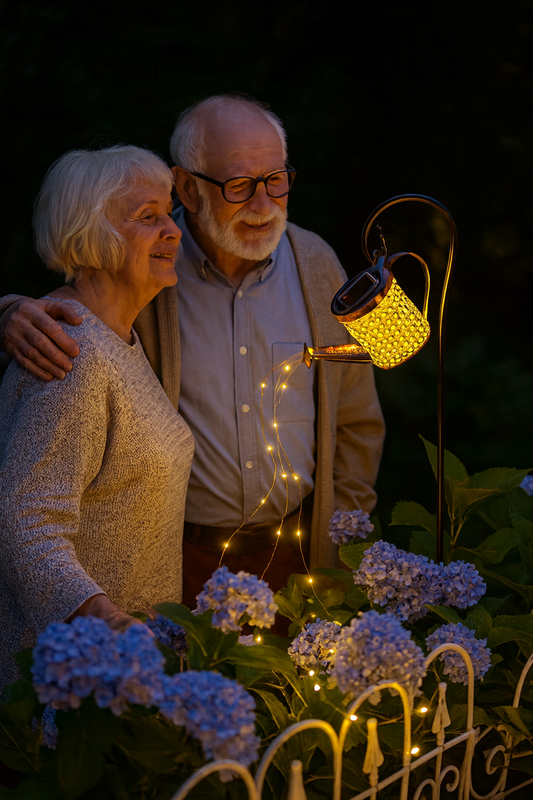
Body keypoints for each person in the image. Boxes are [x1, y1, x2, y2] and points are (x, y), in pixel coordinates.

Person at [0, 95, 384, 608]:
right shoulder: (148, 268)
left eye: (276, 179)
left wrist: (342, 541)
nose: (263, 203)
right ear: (188, 186)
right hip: (183, 563)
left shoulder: (317, 263)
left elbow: (357, 419)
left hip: (301, 558)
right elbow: (77, 304)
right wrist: (6, 310)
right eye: (240, 184)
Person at [0, 146, 194, 689]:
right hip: (72, 685)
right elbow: (25, 524)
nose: (172, 230)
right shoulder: (72, 349)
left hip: (126, 669)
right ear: (92, 235)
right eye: (147, 216)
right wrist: (108, 622)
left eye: (169, 212)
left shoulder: (121, 339)